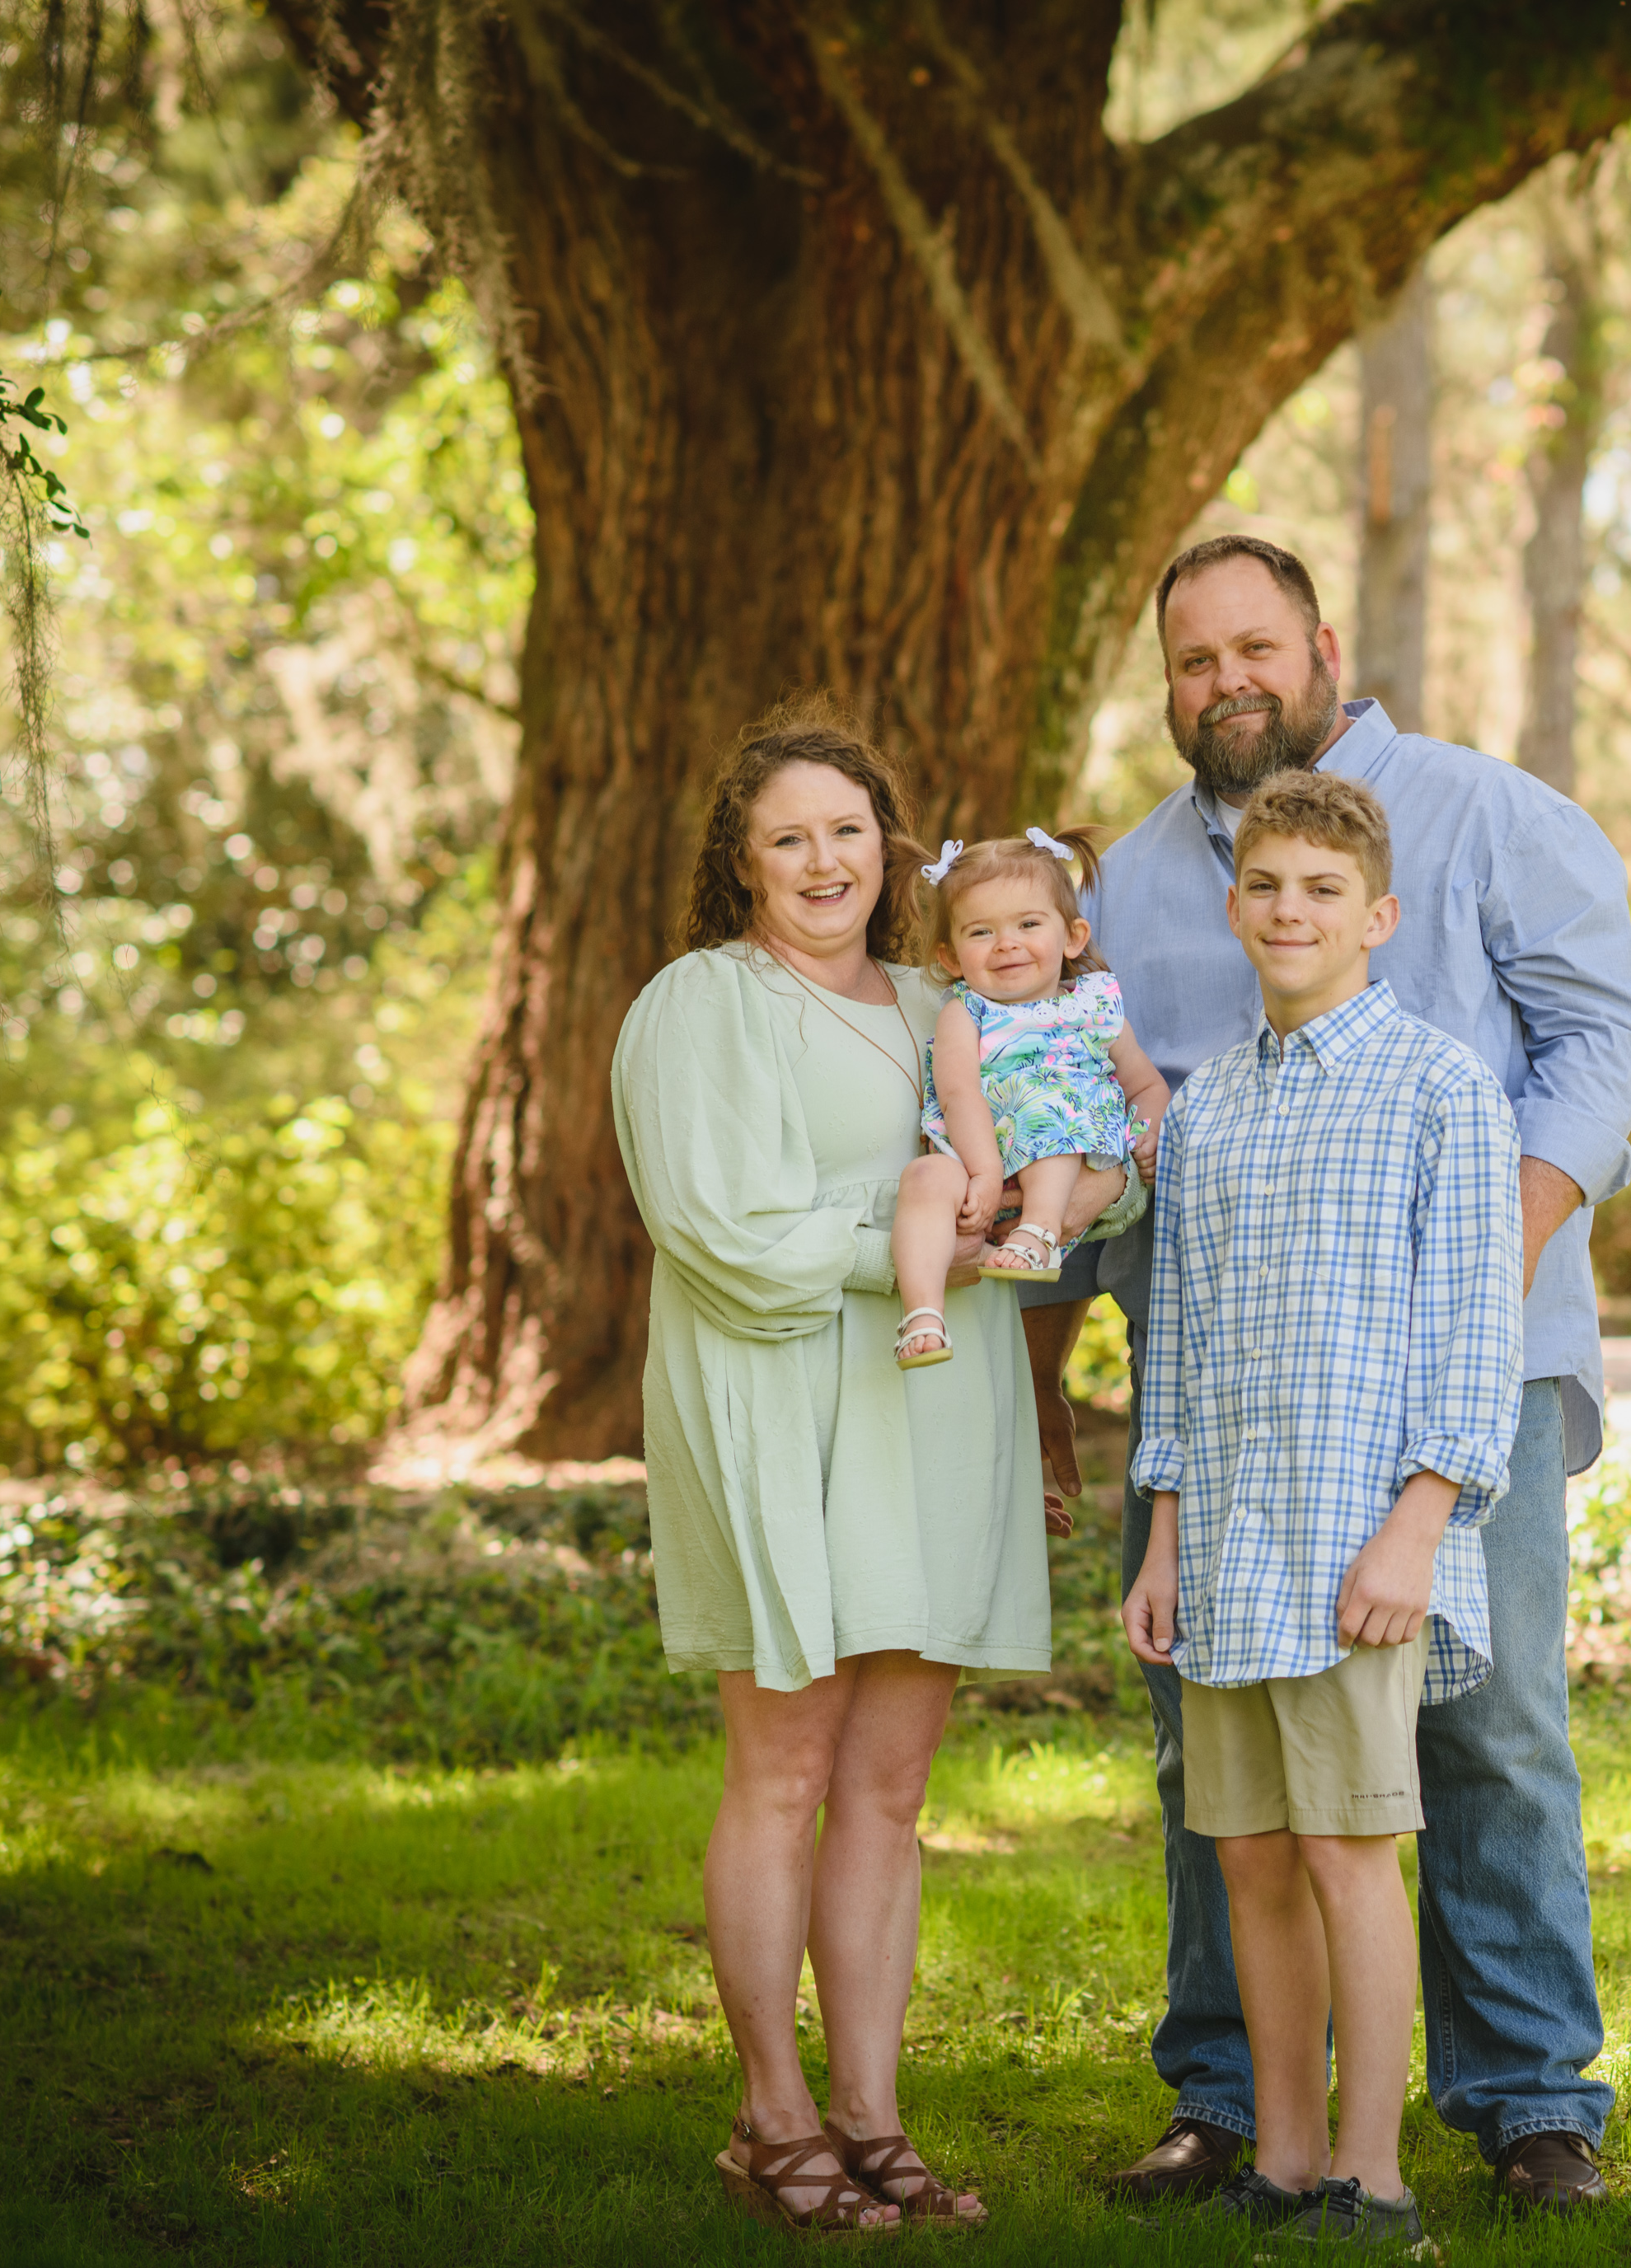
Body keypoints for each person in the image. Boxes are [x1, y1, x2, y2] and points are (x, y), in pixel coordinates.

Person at [1025, 535, 1631, 2214]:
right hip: (1233, 1404)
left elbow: (1604, 1038)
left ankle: (1528, 2095)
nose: (1225, 680)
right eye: (1190, 661)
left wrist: (1489, 1253)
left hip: (1469, 1363)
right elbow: (1112, 1124)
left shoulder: (1485, 812)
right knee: (1218, 1758)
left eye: (1253, 645)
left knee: (1489, 1722)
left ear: (1320, 642)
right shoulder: (1143, 879)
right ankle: (1236, 2094)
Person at [608, 696, 1046, 2235]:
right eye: (786, 835)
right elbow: (722, 1237)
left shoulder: (952, 999)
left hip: (932, 1417)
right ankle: (768, 2112)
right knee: (784, 1766)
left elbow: (1050, 1144)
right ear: (740, 861)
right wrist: (907, 1248)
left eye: (847, 830)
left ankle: (870, 2111)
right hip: (777, 1404)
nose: (821, 860)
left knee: (888, 1783)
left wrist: (1048, 1204)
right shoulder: (699, 1004)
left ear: (890, 844)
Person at [1121, 771, 1526, 2249]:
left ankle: (1376, 2175)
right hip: (1227, 1546)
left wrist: (1420, 1521)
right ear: (1235, 906)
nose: (1289, 911)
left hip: (1360, 1544)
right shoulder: (1210, 1107)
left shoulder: (1438, 1090)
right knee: (1248, 1854)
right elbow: (1176, 1341)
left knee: (1353, 1850)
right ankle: (1282, 2159)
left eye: (1320, 890)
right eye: (1266, 886)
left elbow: (1476, 1327)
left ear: (1377, 915)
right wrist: (1162, 1535)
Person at [889, 826, 1171, 1366]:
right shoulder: (964, 1012)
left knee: (1050, 1107)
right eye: (981, 932)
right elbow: (958, 1095)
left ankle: (1038, 1232)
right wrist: (984, 1173)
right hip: (975, 1155)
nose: (1007, 943)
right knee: (923, 1179)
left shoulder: (1094, 1005)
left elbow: (1144, 1083)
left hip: (1065, 1150)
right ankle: (922, 1312)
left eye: (1028, 924)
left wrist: (1150, 1132)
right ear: (951, 957)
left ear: (1073, 936)